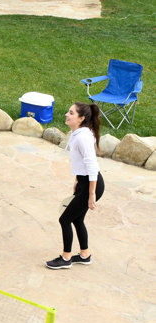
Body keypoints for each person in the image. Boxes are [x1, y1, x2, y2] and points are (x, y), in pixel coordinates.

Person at [46, 102, 105, 270]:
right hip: (84, 182)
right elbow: (82, 164)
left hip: (92, 184)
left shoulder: (82, 137)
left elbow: (92, 166)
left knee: (64, 218)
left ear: (81, 118)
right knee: (77, 218)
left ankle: (66, 258)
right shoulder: (78, 134)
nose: (66, 114)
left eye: (71, 112)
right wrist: (78, 181)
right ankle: (85, 255)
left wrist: (91, 194)